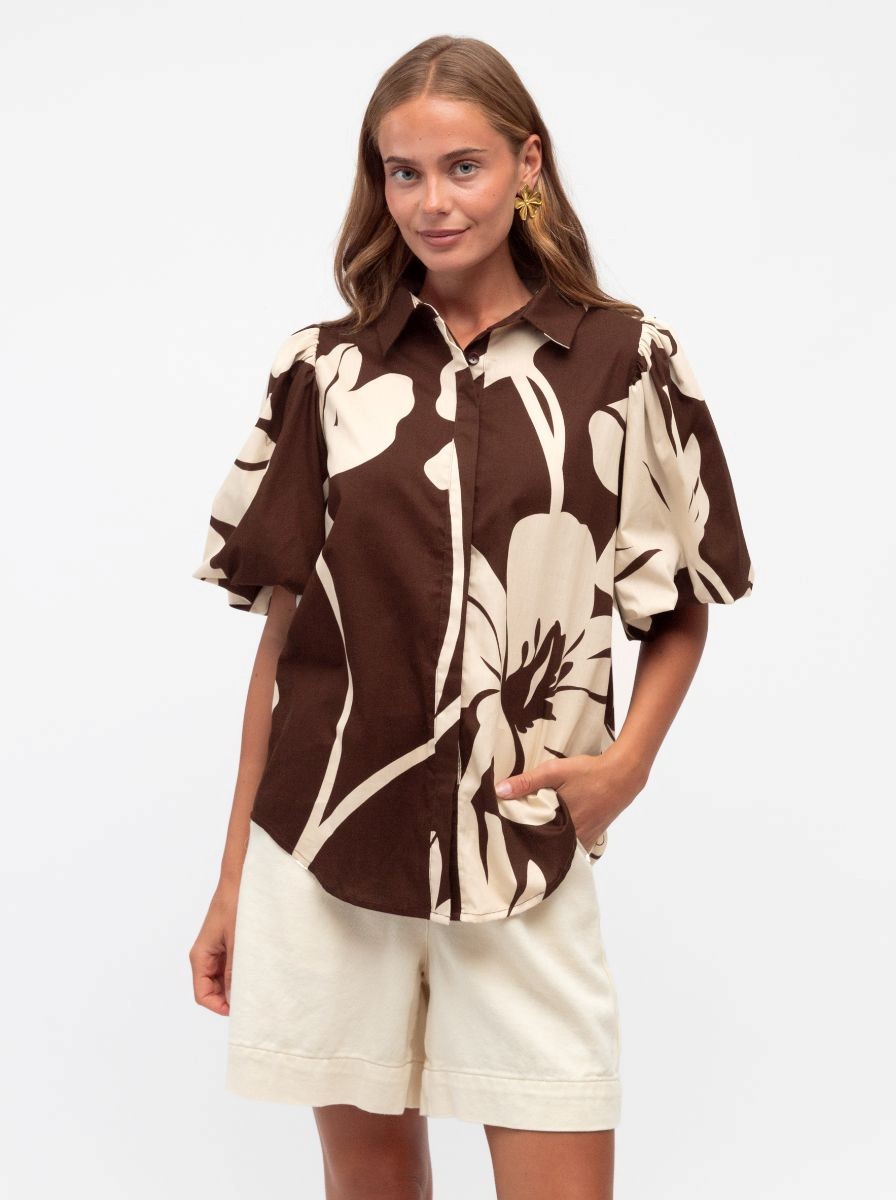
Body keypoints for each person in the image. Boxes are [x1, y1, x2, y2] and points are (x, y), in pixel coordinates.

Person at [188, 34, 754, 1200]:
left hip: (523, 842)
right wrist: (234, 878)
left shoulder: (627, 363)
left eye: (463, 167)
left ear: (526, 164)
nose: (432, 202)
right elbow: (283, 642)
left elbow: (682, 599)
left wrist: (625, 768)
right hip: (328, 847)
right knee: (370, 1182)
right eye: (404, 173)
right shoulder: (325, 371)